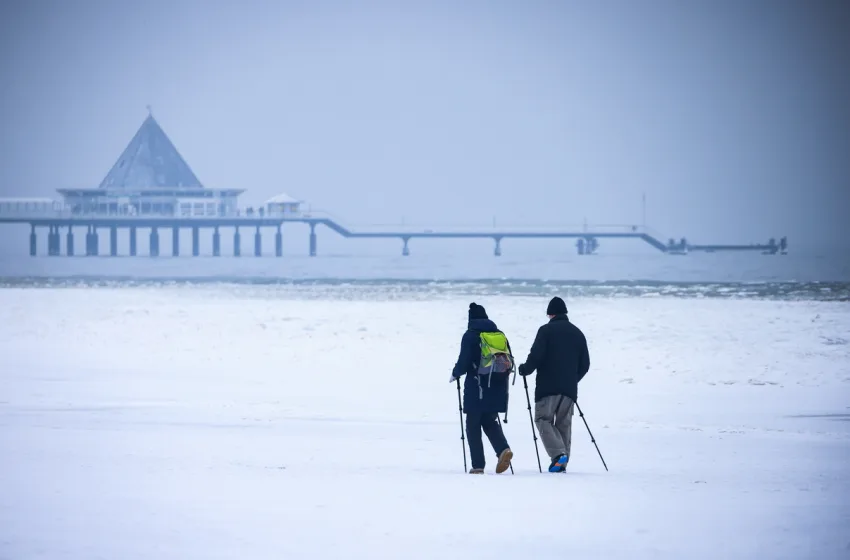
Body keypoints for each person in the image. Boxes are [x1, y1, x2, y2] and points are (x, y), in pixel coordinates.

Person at [518, 296, 590, 473]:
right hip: (569, 389)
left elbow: (536, 356)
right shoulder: (578, 333)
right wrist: (572, 380)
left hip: (547, 387)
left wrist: (525, 369)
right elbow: (585, 364)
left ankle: (558, 455)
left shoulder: (546, 331)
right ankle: (562, 462)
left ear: (550, 314)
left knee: (543, 419)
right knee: (564, 424)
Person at [450, 302, 514, 474]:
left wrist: (455, 373)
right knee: (489, 421)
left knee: (473, 425)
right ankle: (503, 450)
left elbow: (464, 361)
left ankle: (478, 465)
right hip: (498, 387)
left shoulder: (470, 335)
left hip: (477, 388)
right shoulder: (500, 335)